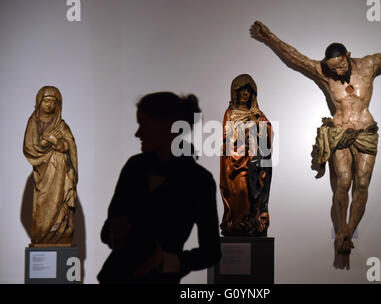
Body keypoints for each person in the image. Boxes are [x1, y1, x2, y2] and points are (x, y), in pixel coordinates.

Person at [250, 17, 381, 268]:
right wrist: (269, 37)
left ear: (348, 56)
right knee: (344, 180)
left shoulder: (369, 65)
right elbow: (296, 57)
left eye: (340, 66)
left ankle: (348, 231)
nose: (337, 72)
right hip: (339, 134)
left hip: (366, 132)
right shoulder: (325, 72)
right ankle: (341, 232)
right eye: (333, 68)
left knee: (361, 183)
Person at [97, 92, 221, 283]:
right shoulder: (134, 167)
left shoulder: (199, 181)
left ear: (169, 127)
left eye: (144, 124)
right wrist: (114, 233)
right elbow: (108, 231)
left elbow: (211, 252)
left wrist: (168, 261)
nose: (137, 133)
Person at [23, 86, 78, 245]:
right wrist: (48, 141)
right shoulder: (33, 123)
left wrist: (56, 142)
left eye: (53, 102)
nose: (49, 105)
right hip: (44, 173)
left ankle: (59, 230)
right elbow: (29, 147)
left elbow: (70, 147)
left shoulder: (61, 125)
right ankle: (43, 233)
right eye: (46, 101)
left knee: (60, 203)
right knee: (43, 204)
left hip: (61, 172)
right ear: (39, 102)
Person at [220, 74, 273, 236]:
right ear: (235, 92)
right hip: (235, 161)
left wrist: (259, 127)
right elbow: (227, 138)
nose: (245, 94)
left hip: (253, 162)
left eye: (248, 91)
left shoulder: (258, 115)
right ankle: (236, 222)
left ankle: (253, 221)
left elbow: (268, 134)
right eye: (241, 90)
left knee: (253, 191)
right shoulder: (230, 113)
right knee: (239, 191)